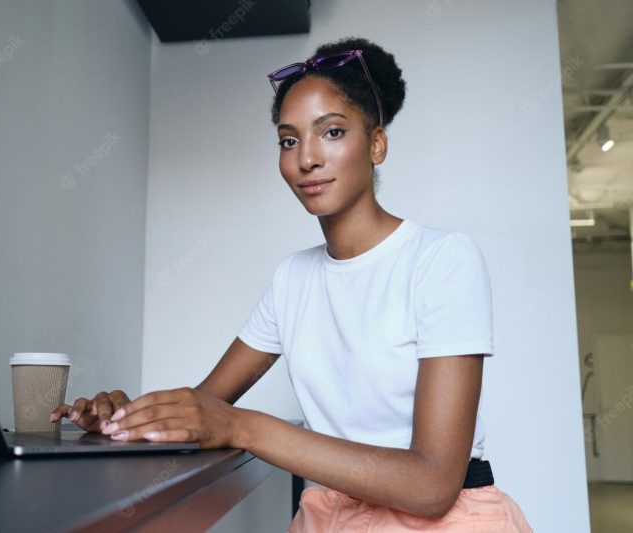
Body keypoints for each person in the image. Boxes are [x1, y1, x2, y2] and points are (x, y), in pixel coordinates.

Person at [51, 36, 533, 531]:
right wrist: (125, 422)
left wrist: (245, 427)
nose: (307, 158)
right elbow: (207, 406)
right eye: (288, 139)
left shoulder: (441, 259)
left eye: (332, 132)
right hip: (330, 516)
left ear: (377, 144)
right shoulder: (293, 278)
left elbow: (431, 486)